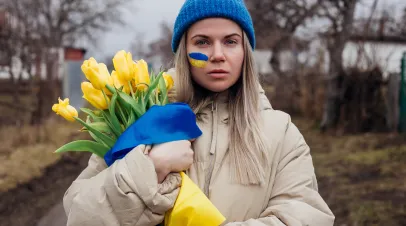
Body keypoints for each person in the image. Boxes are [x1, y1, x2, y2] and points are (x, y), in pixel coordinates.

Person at [62, 0, 335, 225]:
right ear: (185, 52)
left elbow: (305, 215)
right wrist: (151, 167)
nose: (217, 54)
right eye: (202, 42)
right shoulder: (142, 120)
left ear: (245, 52)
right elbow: (81, 216)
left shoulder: (280, 131)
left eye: (230, 42)